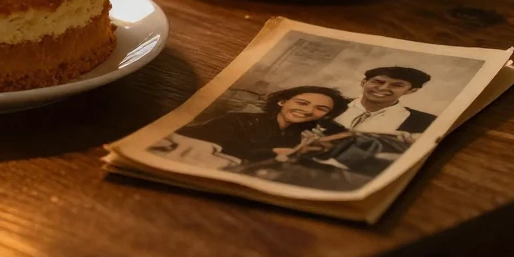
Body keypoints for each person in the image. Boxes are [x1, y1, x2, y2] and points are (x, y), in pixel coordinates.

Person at [174, 86, 349, 166]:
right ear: (282, 102)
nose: (309, 110)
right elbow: (221, 147)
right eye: (302, 103)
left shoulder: (303, 135)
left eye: (321, 109)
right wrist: (273, 153)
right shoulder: (237, 120)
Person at [334, 66, 436, 134]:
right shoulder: (332, 104)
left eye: (397, 85)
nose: (383, 88)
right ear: (364, 82)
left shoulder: (426, 122)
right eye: (378, 81)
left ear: (411, 91)